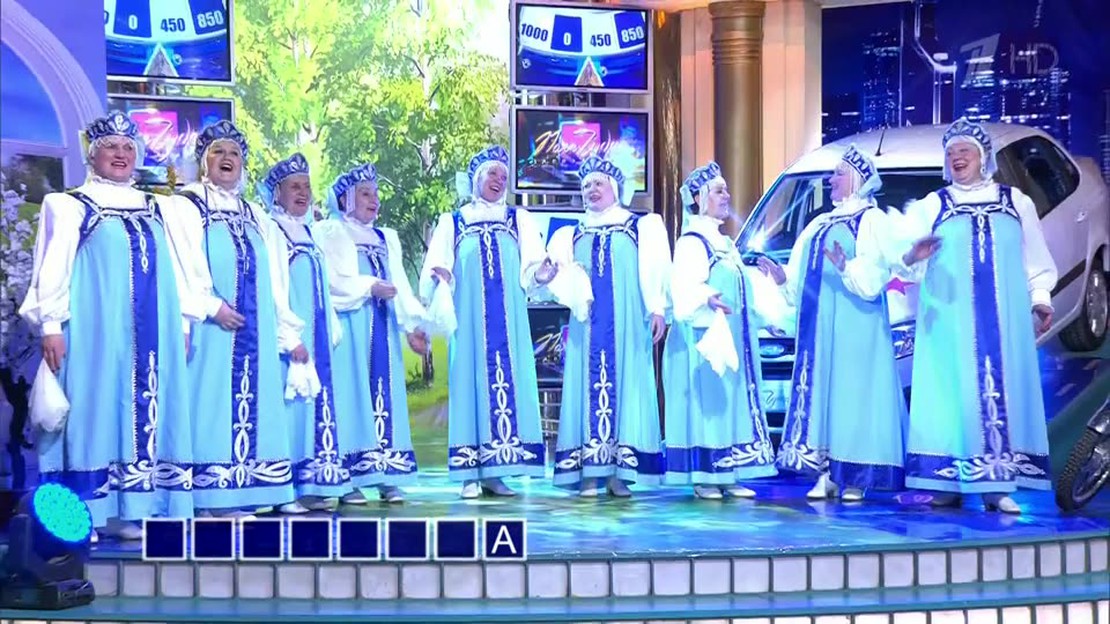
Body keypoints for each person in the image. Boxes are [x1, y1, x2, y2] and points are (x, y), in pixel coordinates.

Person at [20, 112, 194, 540]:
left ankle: (131, 509)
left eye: (128, 147)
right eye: (111, 147)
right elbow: (53, 267)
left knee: (142, 412)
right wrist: (51, 325)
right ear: (92, 155)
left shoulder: (159, 207)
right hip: (95, 330)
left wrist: (184, 324)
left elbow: (179, 271)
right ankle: (83, 511)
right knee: (92, 409)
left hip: (151, 335)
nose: (120, 154)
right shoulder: (70, 205)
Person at [894, 118, 1057, 514]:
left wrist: (1040, 298)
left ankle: (995, 485)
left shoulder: (1015, 202)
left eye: (964, 150)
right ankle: (947, 481)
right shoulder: (933, 205)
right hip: (951, 323)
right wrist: (914, 255)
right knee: (952, 397)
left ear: (983, 157)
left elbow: (1034, 257)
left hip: (1004, 319)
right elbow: (903, 260)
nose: (957, 157)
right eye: (951, 153)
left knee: (1000, 393)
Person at [760, 145, 907, 501]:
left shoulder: (872, 220)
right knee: (824, 398)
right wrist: (782, 279)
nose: (830, 180)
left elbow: (875, 278)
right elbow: (799, 279)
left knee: (853, 396)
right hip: (820, 330)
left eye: (839, 174)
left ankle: (855, 475)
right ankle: (828, 473)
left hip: (858, 328)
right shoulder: (818, 224)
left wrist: (846, 267)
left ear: (857, 179)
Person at [169, 120, 299, 517]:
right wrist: (211, 307)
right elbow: (180, 263)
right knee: (208, 403)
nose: (228, 159)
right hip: (209, 327)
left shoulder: (256, 214)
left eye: (235, 154)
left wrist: (286, 330)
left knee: (254, 404)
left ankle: (240, 492)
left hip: (255, 332)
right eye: (218, 152)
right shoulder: (185, 205)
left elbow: (276, 277)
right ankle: (207, 496)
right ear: (203, 161)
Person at [419, 146, 551, 498]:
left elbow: (532, 268)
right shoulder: (454, 222)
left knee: (509, 383)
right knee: (469, 384)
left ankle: (497, 472)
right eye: (492, 173)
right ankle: (470, 474)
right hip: (470, 324)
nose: (498, 180)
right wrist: (440, 277)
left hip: (509, 323)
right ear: (476, 178)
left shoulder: (518, 219)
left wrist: (543, 273)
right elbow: (435, 270)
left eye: (504, 176)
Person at [543, 156, 669, 497]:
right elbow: (552, 277)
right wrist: (546, 275)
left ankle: (619, 473)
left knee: (628, 386)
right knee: (585, 389)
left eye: (598, 183)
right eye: (586, 185)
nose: (591, 190)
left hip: (627, 324)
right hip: (587, 328)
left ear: (614, 188)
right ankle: (589, 472)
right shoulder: (572, 233)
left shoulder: (639, 227)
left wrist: (657, 308)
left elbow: (654, 269)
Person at [663, 162, 782, 499]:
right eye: (718, 191)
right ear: (700, 199)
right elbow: (682, 288)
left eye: (726, 190)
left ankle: (728, 473)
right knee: (708, 406)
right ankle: (705, 475)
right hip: (703, 340)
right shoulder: (692, 242)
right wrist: (706, 297)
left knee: (728, 404)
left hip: (731, 339)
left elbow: (741, 291)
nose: (726, 196)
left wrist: (765, 318)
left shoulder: (725, 244)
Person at [314, 163, 430, 503]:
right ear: (345, 199)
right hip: (351, 324)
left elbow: (399, 284)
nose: (374, 200)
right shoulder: (331, 232)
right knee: (351, 395)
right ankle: (349, 478)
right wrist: (369, 287)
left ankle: (385, 474)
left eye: (376, 194)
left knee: (385, 395)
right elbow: (332, 281)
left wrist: (411, 327)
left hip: (383, 326)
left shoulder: (385, 237)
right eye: (365, 194)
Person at [257, 153, 358, 512]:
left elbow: (324, 284)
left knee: (312, 408)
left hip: (317, 338)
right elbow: (273, 286)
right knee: (289, 408)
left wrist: (330, 328)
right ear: (277, 193)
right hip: (291, 337)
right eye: (294, 187)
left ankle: (309, 487)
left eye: (306, 186)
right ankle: (283, 491)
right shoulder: (272, 229)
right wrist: (289, 336)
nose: (302, 193)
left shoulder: (311, 232)